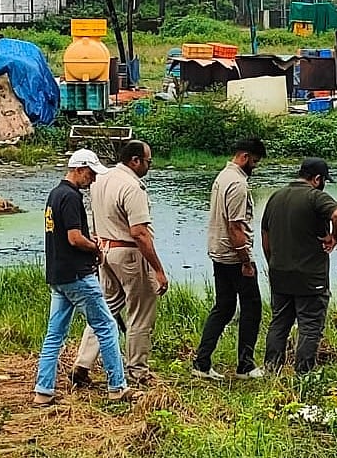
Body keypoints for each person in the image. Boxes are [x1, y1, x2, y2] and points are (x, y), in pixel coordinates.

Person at [33, 149, 141, 406]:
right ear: (79, 169)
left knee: (54, 334)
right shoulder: (70, 197)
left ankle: (43, 391)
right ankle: (117, 386)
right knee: (107, 327)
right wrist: (96, 247)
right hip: (78, 275)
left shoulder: (54, 194)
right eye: (91, 174)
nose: (93, 179)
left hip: (57, 275)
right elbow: (74, 238)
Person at [72, 140, 169, 386]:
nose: (149, 166)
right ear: (135, 161)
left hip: (105, 251)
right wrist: (158, 269)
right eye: (148, 161)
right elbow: (139, 233)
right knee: (141, 313)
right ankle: (137, 370)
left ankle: (83, 363)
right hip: (130, 255)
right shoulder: (132, 187)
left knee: (105, 310)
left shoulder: (101, 179)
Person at [261, 158, 337, 374]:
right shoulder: (315, 197)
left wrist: (272, 261)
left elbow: (265, 235)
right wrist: (334, 237)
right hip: (310, 277)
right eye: (324, 180)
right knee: (310, 326)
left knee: (279, 323)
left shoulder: (276, 197)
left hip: (279, 273)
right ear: (317, 179)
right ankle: (303, 375)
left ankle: (271, 370)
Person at [192, 138, 267, 380]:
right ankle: (245, 365)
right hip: (234, 256)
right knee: (252, 308)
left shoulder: (223, 176)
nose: (254, 167)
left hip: (218, 252)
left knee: (223, 308)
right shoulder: (237, 184)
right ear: (244, 157)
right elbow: (235, 226)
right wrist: (246, 260)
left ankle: (202, 362)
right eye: (254, 162)